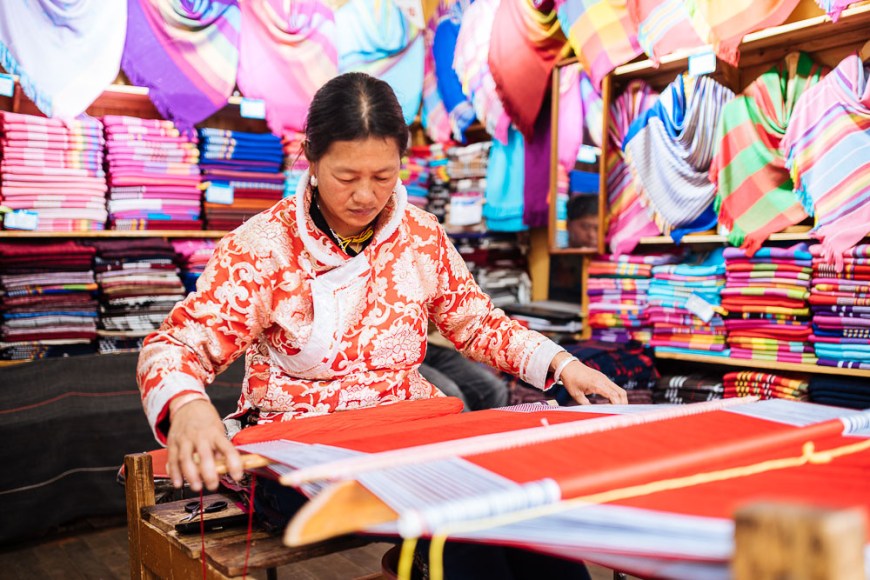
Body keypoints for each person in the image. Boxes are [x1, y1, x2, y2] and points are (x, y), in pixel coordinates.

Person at [137, 72, 625, 578]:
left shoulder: (420, 235)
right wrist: (189, 406)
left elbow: (475, 321)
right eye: (347, 177)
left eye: (384, 176)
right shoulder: (262, 247)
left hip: (408, 433)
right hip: (298, 453)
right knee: (458, 518)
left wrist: (562, 363)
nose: (366, 196)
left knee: (523, 511)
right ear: (311, 156)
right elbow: (174, 345)